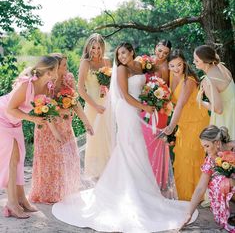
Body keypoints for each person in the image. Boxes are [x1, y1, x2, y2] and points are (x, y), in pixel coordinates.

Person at [52, 43, 198, 232]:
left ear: (131, 52)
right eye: (118, 54)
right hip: (128, 110)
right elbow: (124, 95)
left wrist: (152, 97)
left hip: (138, 109)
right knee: (128, 145)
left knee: (138, 147)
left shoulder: (138, 66)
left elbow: (148, 84)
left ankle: (142, 188)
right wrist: (144, 107)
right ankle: (127, 189)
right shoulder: (121, 69)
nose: (121, 57)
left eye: (123, 53)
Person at [29, 53, 93, 204]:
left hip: (64, 125)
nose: (66, 68)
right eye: (63, 65)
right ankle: (49, 194)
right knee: (49, 160)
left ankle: (65, 191)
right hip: (47, 126)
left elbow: (75, 103)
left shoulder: (68, 79)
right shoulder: (45, 81)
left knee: (68, 157)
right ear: (55, 67)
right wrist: (59, 115)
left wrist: (86, 122)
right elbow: (43, 107)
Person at [0, 56, 58, 218]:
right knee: (11, 160)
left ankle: (21, 200)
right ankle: (11, 203)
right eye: (56, 69)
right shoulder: (27, 84)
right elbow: (10, 109)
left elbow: (44, 106)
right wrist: (33, 118)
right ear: (49, 71)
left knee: (19, 159)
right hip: (2, 118)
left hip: (15, 122)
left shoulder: (46, 86)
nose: (58, 72)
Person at [164, 49, 210, 201]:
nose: (176, 69)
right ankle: (184, 195)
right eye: (172, 66)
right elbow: (171, 100)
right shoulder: (171, 75)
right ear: (168, 66)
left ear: (184, 62)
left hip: (196, 122)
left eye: (179, 65)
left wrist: (171, 127)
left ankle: (195, 196)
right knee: (182, 157)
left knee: (191, 157)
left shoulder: (189, 80)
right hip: (183, 123)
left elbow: (180, 105)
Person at [180, 125, 235, 232]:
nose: (205, 150)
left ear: (217, 143)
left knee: (227, 182)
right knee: (219, 181)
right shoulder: (210, 160)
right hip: (227, 198)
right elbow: (201, 188)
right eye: (203, 147)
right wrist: (189, 214)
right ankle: (228, 214)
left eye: (207, 146)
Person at [141, 40, 176, 198]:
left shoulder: (166, 67)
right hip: (145, 107)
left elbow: (168, 90)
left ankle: (157, 180)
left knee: (156, 142)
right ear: (155, 47)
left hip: (160, 109)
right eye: (160, 50)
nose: (161, 55)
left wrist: (159, 100)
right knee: (144, 142)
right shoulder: (147, 62)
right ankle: (144, 177)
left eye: (165, 53)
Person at [78, 33, 112, 180]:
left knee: (107, 138)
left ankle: (107, 173)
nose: (96, 51)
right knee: (94, 139)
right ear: (89, 47)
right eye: (93, 48)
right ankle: (94, 175)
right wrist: (95, 105)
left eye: (99, 48)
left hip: (107, 106)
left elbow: (111, 85)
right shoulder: (85, 63)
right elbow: (80, 88)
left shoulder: (107, 62)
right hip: (92, 107)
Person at [194, 45, 235, 139]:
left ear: (206, 62)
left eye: (197, 60)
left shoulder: (208, 81)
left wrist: (201, 102)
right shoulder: (222, 68)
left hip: (227, 120)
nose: (194, 62)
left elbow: (219, 109)